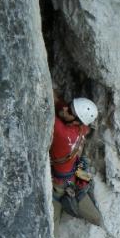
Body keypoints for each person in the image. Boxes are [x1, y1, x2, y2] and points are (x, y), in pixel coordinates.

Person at [50, 94, 102, 230]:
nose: (66, 108)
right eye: (70, 104)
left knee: (51, 228)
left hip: (60, 185)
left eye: (70, 111)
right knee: (96, 218)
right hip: (76, 176)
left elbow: (49, 104)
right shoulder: (83, 128)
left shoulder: (61, 132)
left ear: (75, 121)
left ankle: (62, 205)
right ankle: (71, 205)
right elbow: (62, 106)